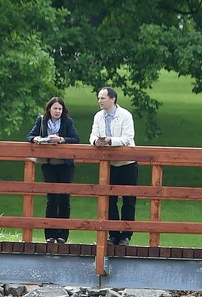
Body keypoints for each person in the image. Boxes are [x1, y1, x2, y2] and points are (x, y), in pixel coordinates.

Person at [27, 96, 80, 243]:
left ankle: (62, 235)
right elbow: (29, 136)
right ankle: (50, 234)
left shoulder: (67, 122)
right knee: (52, 199)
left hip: (65, 165)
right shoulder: (42, 121)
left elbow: (75, 139)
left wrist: (61, 139)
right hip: (49, 164)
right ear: (49, 109)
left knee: (64, 199)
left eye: (60, 109)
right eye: (55, 108)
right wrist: (36, 139)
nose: (57, 111)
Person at [89, 86, 137, 245]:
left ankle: (126, 235)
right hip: (108, 164)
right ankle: (114, 234)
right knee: (109, 200)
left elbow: (128, 139)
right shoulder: (98, 116)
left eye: (102, 98)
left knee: (128, 200)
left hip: (127, 163)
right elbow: (93, 134)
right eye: (98, 98)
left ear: (112, 99)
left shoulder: (125, 115)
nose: (99, 101)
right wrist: (96, 141)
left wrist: (110, 140)